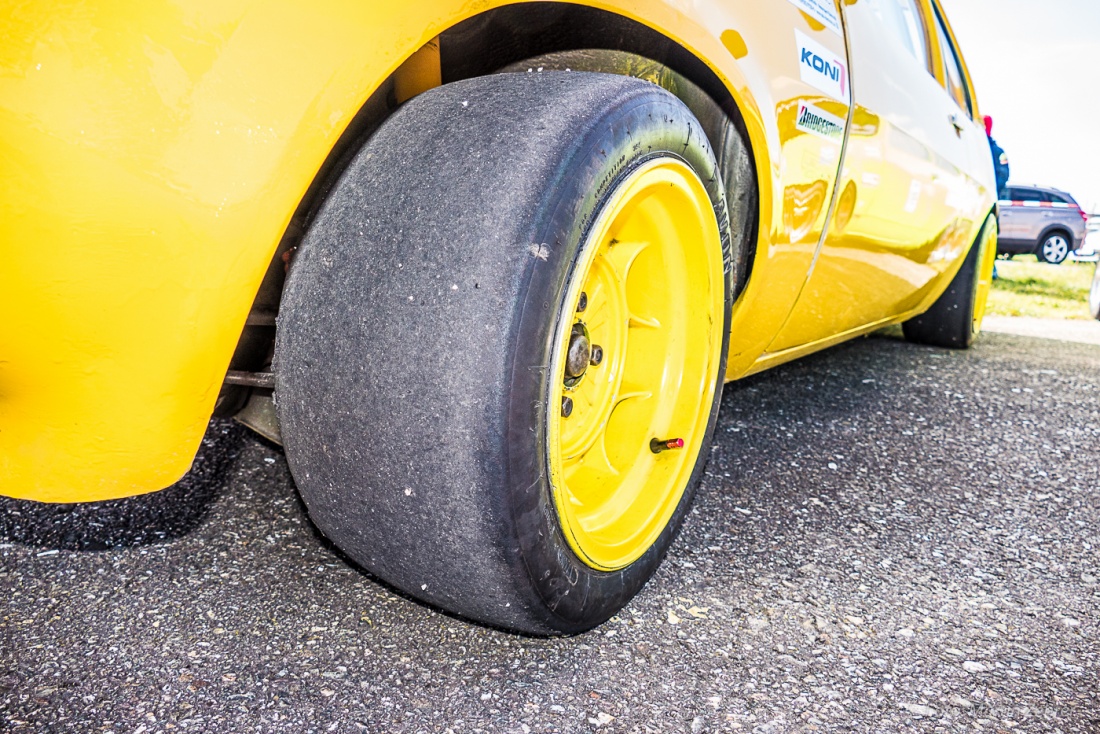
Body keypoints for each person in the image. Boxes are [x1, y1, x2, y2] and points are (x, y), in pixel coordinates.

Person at [984, 115, 1010, 279]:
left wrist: (991, 190)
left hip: (988, 199)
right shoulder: (973, 146)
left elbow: (1004, 174)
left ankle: (990, 268)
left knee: (988, 233)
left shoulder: (997, 152)